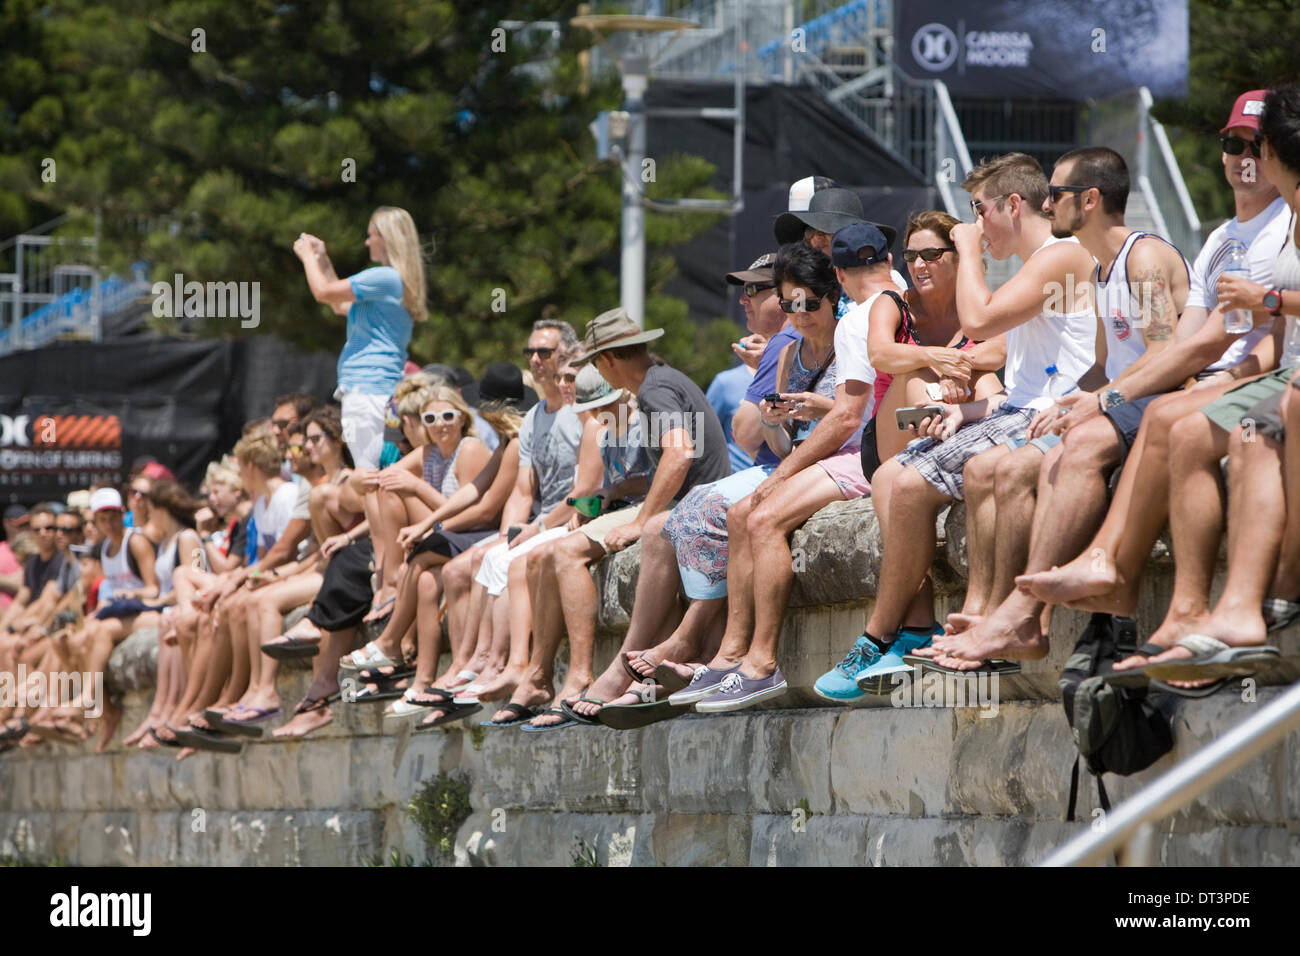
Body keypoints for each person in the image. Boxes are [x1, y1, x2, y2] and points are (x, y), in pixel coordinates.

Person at [815, 152, 1098, 701]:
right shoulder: (1038, 263)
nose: (974, 225)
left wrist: (967, 250)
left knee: (954, 476)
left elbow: (979, 322)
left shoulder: (1059, 255)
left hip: (1053, 415)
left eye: (979, 211)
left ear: (1012, 206)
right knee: (893, 477)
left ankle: (940, 625)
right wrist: (966, 409)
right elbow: (1017, 365)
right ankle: (912, 629)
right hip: (1020, 409)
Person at [1012, 91, 1291, 629]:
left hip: (1244, 381)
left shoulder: (1277, 228)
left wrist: (1108, 397)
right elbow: (1186, 345)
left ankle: (1048, 609)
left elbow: (1201, 346)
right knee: (1017, 462)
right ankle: (1041, 608)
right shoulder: (1219, 239)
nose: (1244, 157)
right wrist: (1088, 395)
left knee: (1124, 431)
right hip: (1206, 381)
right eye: (1233, 144)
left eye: (1257, 145)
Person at [918, 147, 1193, 674]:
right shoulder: (1102, 270)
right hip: (1123, 402)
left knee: (1022, 465)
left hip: (1159, 402)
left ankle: (1024, 617)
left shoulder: (1146, 256)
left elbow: (1166, 354)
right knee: (986, 465)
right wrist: (1071, 399)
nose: (1047, 202)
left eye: (1058, 194)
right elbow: (1102, 366)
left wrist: (1098, 401)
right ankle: (1003, 616)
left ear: (1088, 200)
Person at [487, 366, 653, 729]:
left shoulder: (644, 419)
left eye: (602, 407)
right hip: (615, 510)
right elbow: (601, 487)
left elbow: (656, 476)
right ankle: (538, 674)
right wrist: (594, 506)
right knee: (538, 557)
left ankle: (579, 674)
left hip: (646, 509)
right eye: (593, 411)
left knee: (562, 552)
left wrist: (616, 493)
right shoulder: (606, 429)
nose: (596, 417)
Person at [294, 206, 428, 469]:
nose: (367, 242)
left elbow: (323, 292)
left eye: (371, 235)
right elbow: (338, 305)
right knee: (375, 477)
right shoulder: (393, 281)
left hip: (366, 392)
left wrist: (306, 258)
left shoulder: (384, 277)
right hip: (377, 390)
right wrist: (323, 260)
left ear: (386, 237)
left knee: (369, 478)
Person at [869, 211, 1007, 465]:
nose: (918, 265)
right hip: (891, 438)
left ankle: (990, 460)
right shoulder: (892, 302)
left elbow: (1001, 350)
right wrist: (934, 359)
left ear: (958, 257)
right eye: (911, 256)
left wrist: (954, 367)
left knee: (983, 376)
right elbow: (879, 354)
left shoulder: (980, 305)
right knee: (914, 372)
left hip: (956, 418)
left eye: (931, 255)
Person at [709, 254, 784, 473]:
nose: (743, 299)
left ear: (784, 295)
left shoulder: (790, 345)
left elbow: (745, 438)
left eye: (752, 290)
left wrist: (769, 363)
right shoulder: (725, 381)